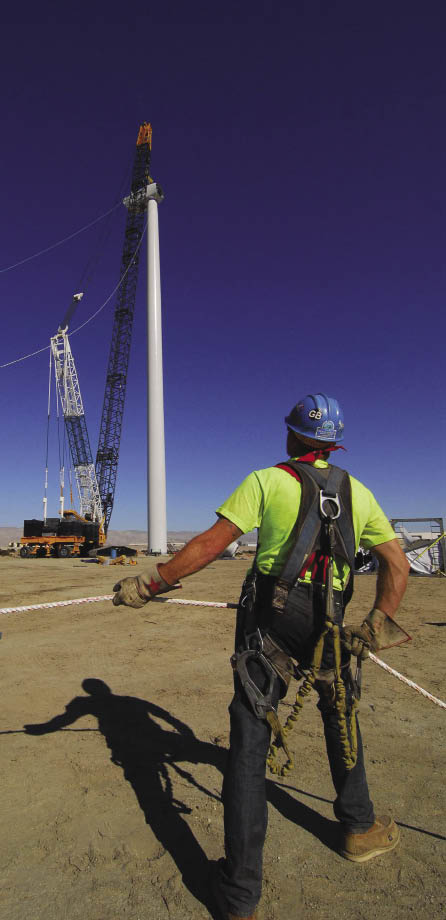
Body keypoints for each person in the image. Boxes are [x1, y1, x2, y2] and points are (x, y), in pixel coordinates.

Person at [113, 393, 410, 920]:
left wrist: (152, 582)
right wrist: (377, 627)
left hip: (271, 623)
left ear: (291, 437)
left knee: (251, 742)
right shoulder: (358, 492)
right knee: (340, 714)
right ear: (332, 444)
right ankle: (359, 828)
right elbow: (397, 564)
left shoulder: (266, 481)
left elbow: (211, 544)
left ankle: (240, 892)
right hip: (332, 625)